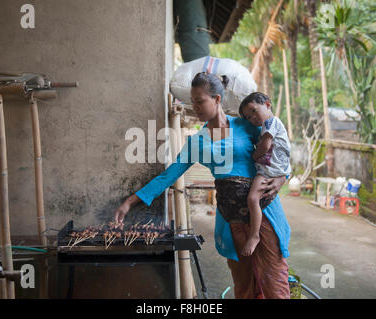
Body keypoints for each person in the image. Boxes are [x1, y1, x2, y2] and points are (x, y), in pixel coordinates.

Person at [114, 72, 291, 299]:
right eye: (192, 102)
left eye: (200, 101)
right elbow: (169, 176)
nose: (195, 107)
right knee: (244, 286)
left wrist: (283, 176)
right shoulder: (197, 141)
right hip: (232, 219)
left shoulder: (246, 125)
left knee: (275, 283)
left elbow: (280, 149)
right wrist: (130, 202)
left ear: (217, 99)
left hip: (264, 213)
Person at [238, 92, 292, 257]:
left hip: (269, 171)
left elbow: (266, 146)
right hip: (277, 169)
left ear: (268, 104)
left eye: (254, 111)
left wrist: (253, 156)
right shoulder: (269, 124)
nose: (252, 117)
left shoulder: (270, 122)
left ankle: (254, 236)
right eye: (248, 117)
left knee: (252, 199)